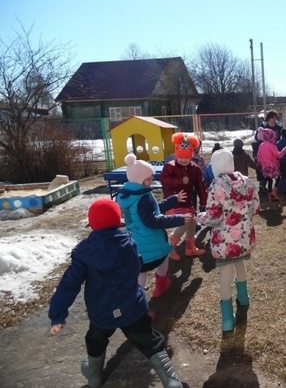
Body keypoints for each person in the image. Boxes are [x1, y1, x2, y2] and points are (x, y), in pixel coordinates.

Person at [48, 198, 184, 388]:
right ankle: (170, 380)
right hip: (132, 307)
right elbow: (135, 267)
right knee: (149, 340)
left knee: (95, 340)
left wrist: (58, 315)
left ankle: (94, 377)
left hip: (101, 312)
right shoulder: (129, 243)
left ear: (92, 223)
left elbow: (69, 284)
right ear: (117, 220)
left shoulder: (84, 253)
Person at [196, 149, 260, 332]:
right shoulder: (248, 182)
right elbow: (256, 209)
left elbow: (214, 218)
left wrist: (200, 217)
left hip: (225, 241)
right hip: (245, 237)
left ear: (215, 168)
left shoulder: (217, 186)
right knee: (240, 263)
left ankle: (227, 320)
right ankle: (244, 298)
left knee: (225, 273)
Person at [117, 154, 192, 306]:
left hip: (136, 245)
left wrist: (172, 200)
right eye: (149, 179)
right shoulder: (143, 197)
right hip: (151, 242)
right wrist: (179, 218)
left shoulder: (129, 195)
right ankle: (161, 285)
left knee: (141, 272)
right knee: (164, 255)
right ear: (140, 179)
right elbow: (152, 220)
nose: (152, 181)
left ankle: (138, 303)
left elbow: (154, 209)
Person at [160, 132, 208, 259]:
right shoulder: (170, 167)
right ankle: (171, 245)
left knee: (192, 221)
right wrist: (180, 181)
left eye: (187, 157)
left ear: (192, 155)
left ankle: (190, 247)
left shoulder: (195, 169)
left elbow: (200, 185)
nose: (183, 159)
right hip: (173, 202)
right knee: (185, 222)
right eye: (181, 157)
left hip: (187, 202)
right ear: (176, 155)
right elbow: (164, 181)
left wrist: (204, 200)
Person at [251, 110, 283, 192]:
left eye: (275, 118)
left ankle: (276, 187)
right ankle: (262, 184)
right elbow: (256, 137)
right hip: (265, 150)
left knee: (275, 167)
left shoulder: (279, 127)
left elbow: (281, 137)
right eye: (272, 117)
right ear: (268, 118)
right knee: (263, 168)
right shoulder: (263, 126)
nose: (274, 119)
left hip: (274, 150)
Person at [257, 127, 286, 202]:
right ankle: (274, 191)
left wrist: (261, 164)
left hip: (265, 166)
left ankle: (269, 194)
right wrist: (284, 151)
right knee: (278, 178)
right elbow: (278, 155)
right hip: (273, 166)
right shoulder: (271, 145)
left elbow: (259, 156)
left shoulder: (261, 145)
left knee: (269, 179)